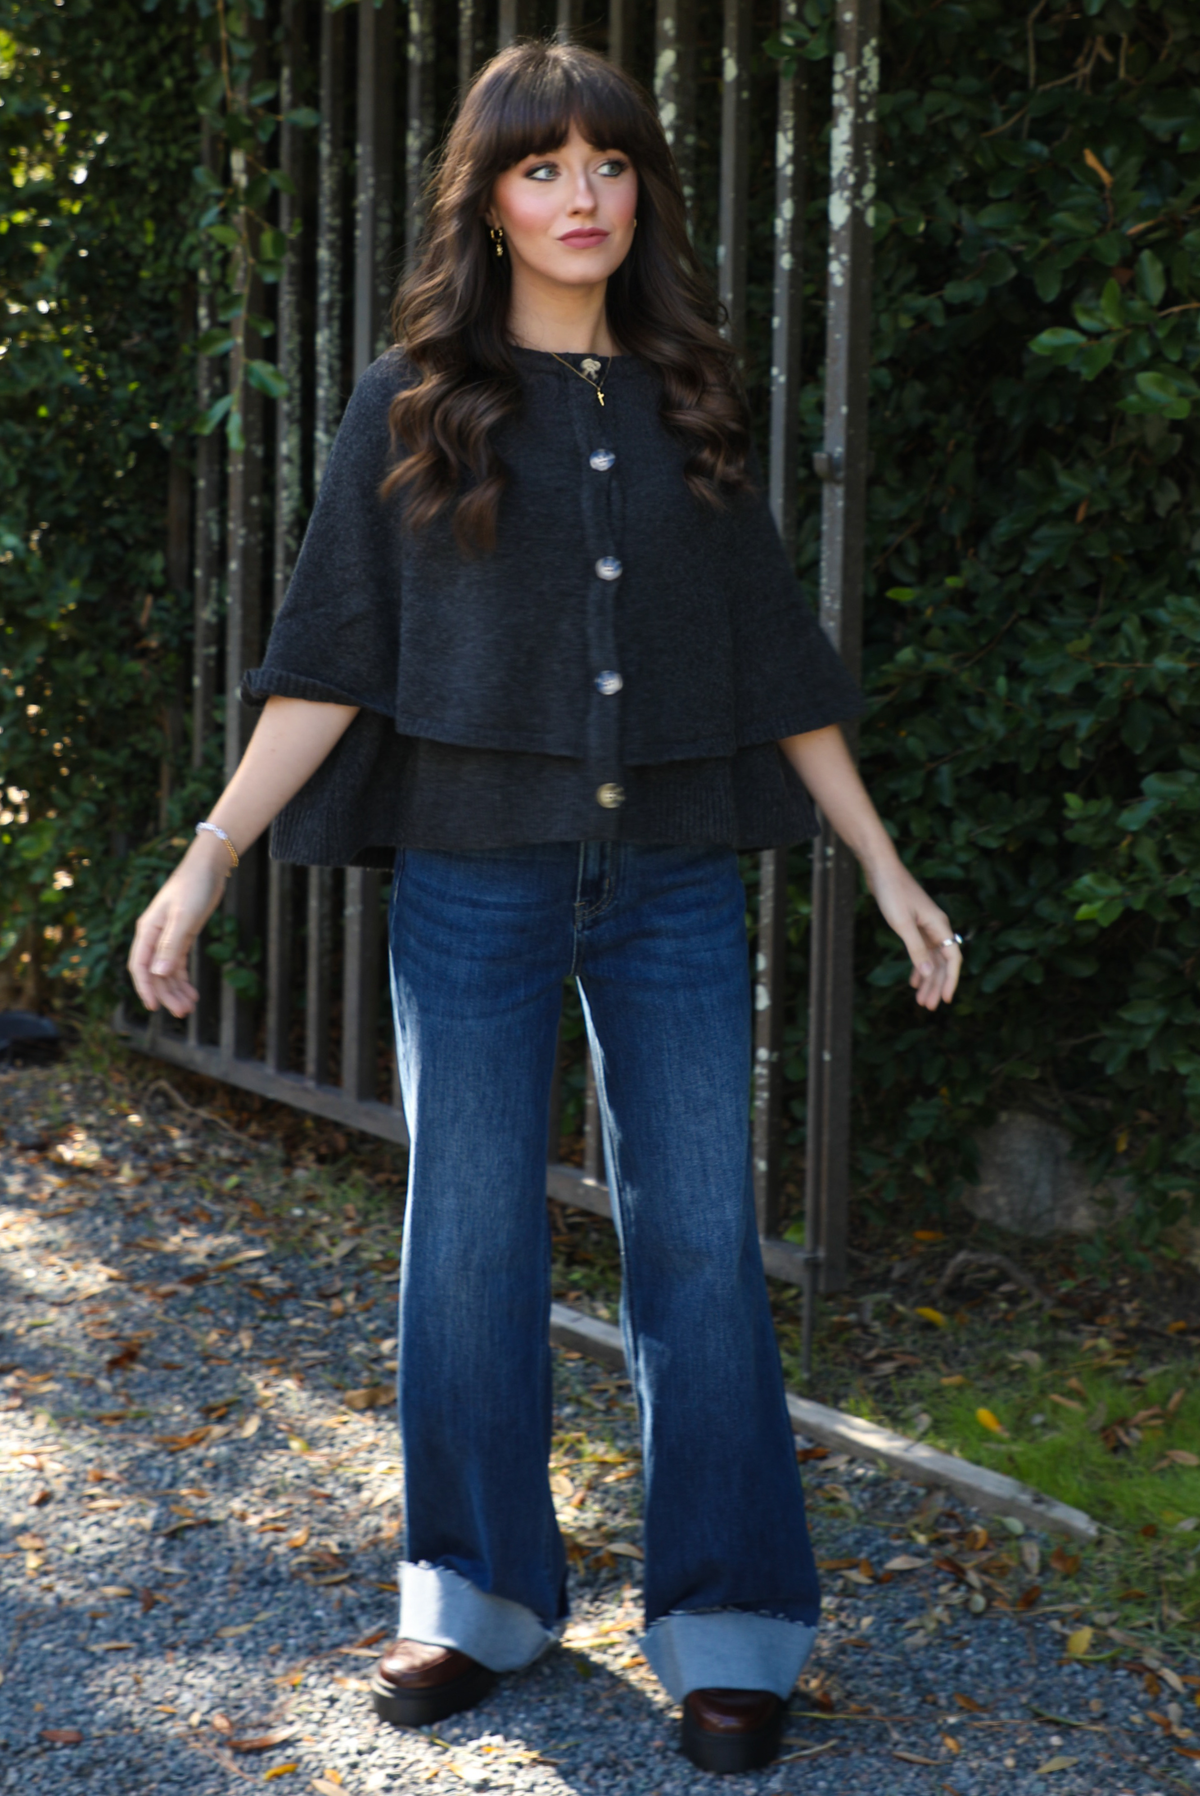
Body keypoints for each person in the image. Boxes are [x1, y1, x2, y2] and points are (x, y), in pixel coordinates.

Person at [129, 39, 961, 1776]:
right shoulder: (418, 401)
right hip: (473, 879)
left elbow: (774, 663)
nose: (583, 196)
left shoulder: (691, 401)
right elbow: (329, 663)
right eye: (541, 168)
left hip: (668, 884)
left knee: (700, 1251)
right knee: (471, 1244)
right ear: (490, 200)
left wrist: (883, 864)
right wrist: (208, 856)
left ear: (639, 187)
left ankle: (730, 1625)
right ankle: (476, 1599)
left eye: (608, 163)